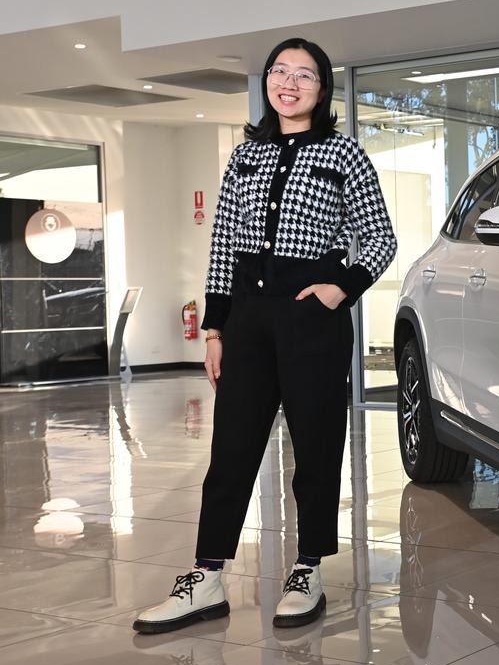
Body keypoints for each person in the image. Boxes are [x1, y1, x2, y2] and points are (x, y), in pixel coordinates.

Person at [134, 38, 397, 634]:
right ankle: (206, 577)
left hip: (311, 322)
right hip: (248, 321)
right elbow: (223, 244)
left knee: (316, 448)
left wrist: (339, 288)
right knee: (231, 451)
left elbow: (380, 238)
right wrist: (216, 329)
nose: (290, 82)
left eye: (305, 75)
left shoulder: (345, 154)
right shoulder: (243, 158)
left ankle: (307, 571)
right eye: (281, 71)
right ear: (268, 84)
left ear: (322, 89)